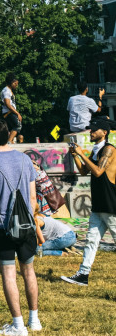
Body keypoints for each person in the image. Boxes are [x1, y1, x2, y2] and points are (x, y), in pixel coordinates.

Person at [0, 117, 40, 336]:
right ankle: (34, 319)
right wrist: (32, 222)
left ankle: (17, 325)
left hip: (1, 225)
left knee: (9, 275)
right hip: (26, 224)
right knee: (29, 271)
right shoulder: (25, 160)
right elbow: (33, 197)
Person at [61, 115, 116, 287]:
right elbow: (85, 171)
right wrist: (75, 156)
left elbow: (99, 171)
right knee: (91, 240)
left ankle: (83, 274)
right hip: (99, 204)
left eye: (94, 129)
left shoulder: (109, 149)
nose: (91, 131)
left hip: (111, 204)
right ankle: (83, 274)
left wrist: (80, 153)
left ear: (104, 132)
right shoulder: (95, 150)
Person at [0, 75, 21, 144]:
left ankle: (10, 140)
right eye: (15, 84)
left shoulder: (8, 90)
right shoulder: (6, 91)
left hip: (9, 112)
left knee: (9, 128)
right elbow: (7, 104)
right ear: (11, 82)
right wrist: (17, 113)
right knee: (17, 126)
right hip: (9, 112)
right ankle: (9, 141)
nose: (16, 85)